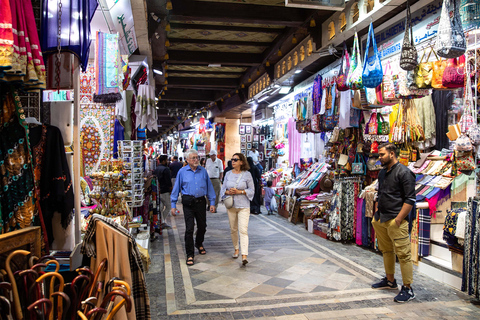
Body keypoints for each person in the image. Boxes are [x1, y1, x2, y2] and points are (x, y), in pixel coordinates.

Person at [372, 143, 416, 303]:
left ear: (392, 154)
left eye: (382, 154)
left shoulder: (404, 172)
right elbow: (380, 193)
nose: (380, 158)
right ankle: (390, 281)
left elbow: (410, 199)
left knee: (404, 255)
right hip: (381, 218)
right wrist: (376, 214)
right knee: (386, 251)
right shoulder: (383, 173)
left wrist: (398, 219)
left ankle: (408, 288)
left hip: (396, 220)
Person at [171, 149, 216, 266]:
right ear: (187, 160)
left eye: (197, 157)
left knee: (202, 226)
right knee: (189, 229)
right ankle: (190, 254)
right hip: (188, 203)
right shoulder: (182, 172)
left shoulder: (203, 171)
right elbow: (176, 188)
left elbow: (209, 187)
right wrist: (173, 205)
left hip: (201, 202)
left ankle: (199, 243)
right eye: (193, 158)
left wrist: (212, 203)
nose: (196, 160)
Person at [220, 153, 255, 266]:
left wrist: (240, 192)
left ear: (242, 162)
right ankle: (236, 249)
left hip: (244, 206)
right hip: (231, 206)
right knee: (233, 229)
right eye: (232, 159)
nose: (233, 161)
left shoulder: (247, 175)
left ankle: (244, 255)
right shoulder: (228, 174)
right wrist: (227, 192)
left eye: (235, 159)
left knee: (243, 230)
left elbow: (252, 190)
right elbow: (222, 189)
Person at [153, 155, 174, 228]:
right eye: (166, 160)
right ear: (163, 161)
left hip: (158, 191)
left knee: (161, 207)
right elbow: (168, 181)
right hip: (164, 190)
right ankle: (162, 221)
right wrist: (171, 189)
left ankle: (161, 221)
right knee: (168, 206)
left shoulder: (156, 169)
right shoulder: (166, 169)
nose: (167, 161)